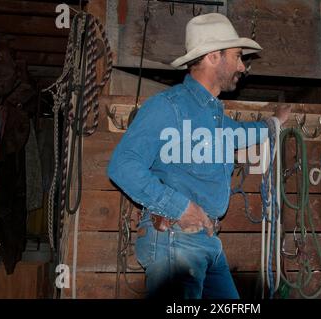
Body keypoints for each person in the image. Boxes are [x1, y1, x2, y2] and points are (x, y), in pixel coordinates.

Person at [107, 12, 290, 299]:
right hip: (175, 241)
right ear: (213, 57)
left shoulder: (214, 115)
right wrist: (180, 208)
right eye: (238, 56)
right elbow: (122, 166)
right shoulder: (168, 106)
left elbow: (241, 133)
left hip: (206, 242)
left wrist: (274, 123)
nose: (243, 66)